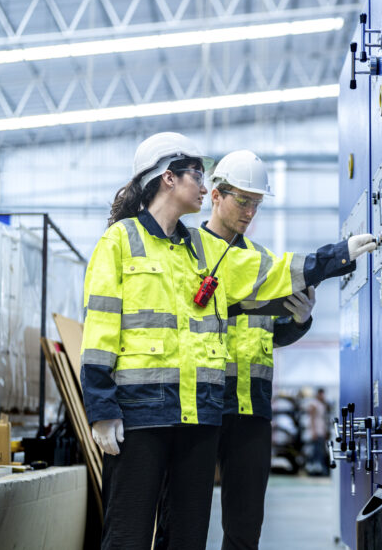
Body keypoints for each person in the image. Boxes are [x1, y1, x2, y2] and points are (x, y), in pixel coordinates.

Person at [81, 133, 376, 550]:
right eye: (197, 176)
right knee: (127, 535)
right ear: (168, 178)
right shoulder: (120, 241)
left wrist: (335, 256)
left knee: (187, 537)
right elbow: (100, 331)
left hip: (199, 416)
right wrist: (101, 407)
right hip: (141, 413)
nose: (204, 186)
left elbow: (272, 272)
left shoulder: (205, 250)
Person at [156, 149, 323, 550]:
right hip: (199, 403)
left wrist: (299, 321)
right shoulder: (186, 250)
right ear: (215, 195)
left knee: (246, 528)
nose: (250, 211)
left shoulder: (263, 262)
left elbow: (271, 334)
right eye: (242, 200)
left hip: (251, 407)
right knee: (180, 520)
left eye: (257, 203)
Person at [303, 388, 330, 476]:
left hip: (321, 429)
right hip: (316, 430)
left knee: (320, 450)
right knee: (315, 450)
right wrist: (313, 431)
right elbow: (312, 419)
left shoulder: (322, 404)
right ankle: (313, 468)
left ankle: (318, 468)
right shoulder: (314, 404)